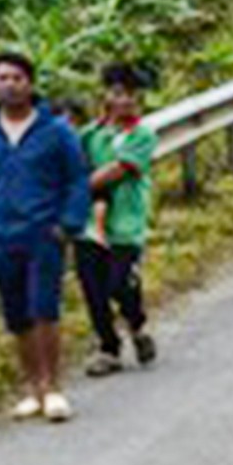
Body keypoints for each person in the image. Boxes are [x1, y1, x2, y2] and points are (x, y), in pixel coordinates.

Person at [0, 49, 91, 423]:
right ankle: (32, 387)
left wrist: (69, 222)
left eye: (16, 78)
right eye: (2, 78)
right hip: (2, 232)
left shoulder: (55, 130)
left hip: (43, 230)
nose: (9, 86)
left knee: (44, 306)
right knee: (16, 313)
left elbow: (77, 177)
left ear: (30, 83)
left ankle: (53, 387)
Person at [76, 63, 158, 375]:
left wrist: (76, 188)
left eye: (131, 95)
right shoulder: (90, 135)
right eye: (118, 94)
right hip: (87, 224)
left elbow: (116, 171)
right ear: (106, 96)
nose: (125, 101)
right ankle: (108, 347)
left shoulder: (142, 136)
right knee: (93, 288)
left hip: (126, 224)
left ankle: (136, 324)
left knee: (118, 284)